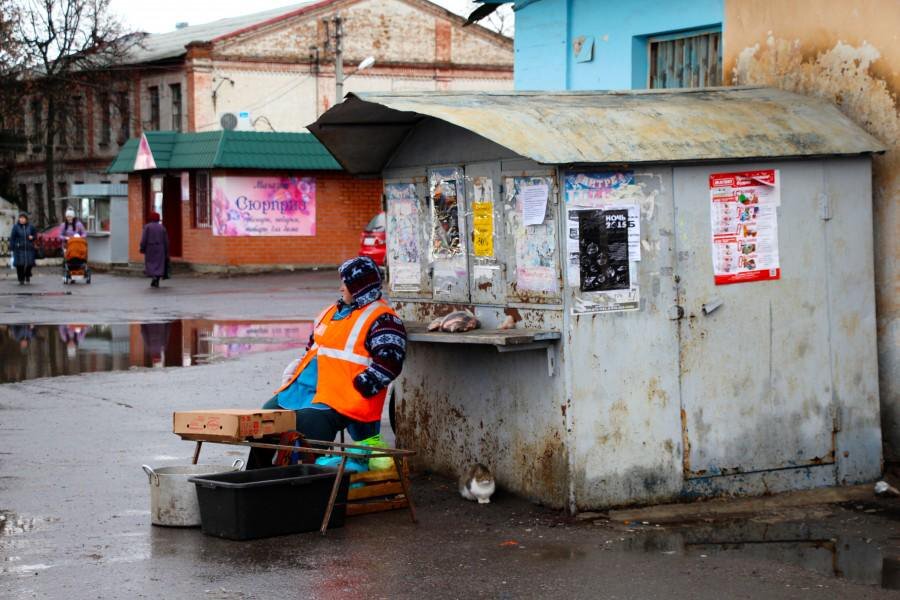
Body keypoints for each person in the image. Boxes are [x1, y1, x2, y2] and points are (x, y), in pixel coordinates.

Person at [247, 257, 407, 469]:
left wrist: (362, 386)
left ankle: (303, 481)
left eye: (345, 283)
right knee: (264, 420)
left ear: (358, 287)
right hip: (302, 391)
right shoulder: (330, 312)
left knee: (309, 422)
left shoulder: (383, 319)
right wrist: (297, 367)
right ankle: (256, 476)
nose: (341, 288)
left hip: (340, 398)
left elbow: (390, 362)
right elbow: (313, 349)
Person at [139, 211, 169, 288]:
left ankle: (153, 277)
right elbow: (166, 240)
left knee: (151, 263)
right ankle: (157, 278)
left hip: (150, 248)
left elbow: (144, 239)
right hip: (160, 248)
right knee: (159, 264)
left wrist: (142, 248)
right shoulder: (162, 227)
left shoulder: (147, 227)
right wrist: (166, 250)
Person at [10, 212, 37, 285]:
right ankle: (21, 279)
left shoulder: (31, 227)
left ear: (26, 219)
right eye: (20, 218)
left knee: (29, 264)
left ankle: (27, 275)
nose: (22, 220)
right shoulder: (16, 227)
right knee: (19, 265)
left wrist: (32, 237)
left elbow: (35, 235)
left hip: (29, 248)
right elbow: (12, 237)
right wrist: (12, 247)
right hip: (19, 248)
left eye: (23, 218)